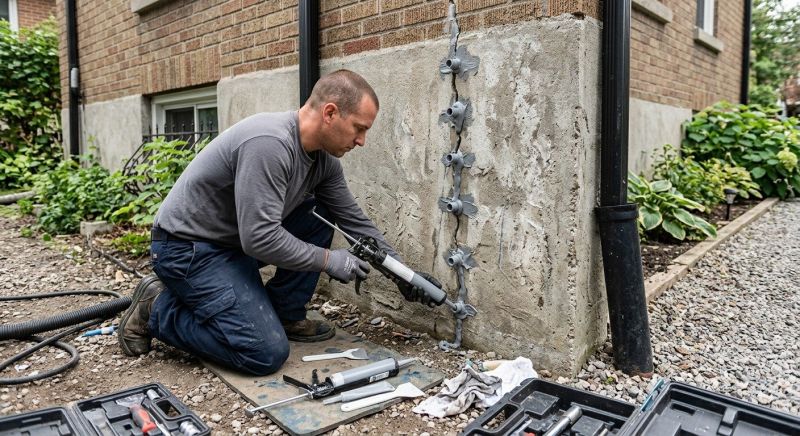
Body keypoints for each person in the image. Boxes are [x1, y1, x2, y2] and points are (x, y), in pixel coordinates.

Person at [118, 70, 442, 375]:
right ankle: (157, 309)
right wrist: (329, 260)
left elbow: (353, 220)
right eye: (359, 127)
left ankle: (284, 314)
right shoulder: (269, 144)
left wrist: (403, 275)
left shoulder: (323, 161)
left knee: (324, 212)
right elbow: (259, 238)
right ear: (330, 113)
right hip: (188, 248)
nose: (361, 140)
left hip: (232, 245)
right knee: (263, 353)